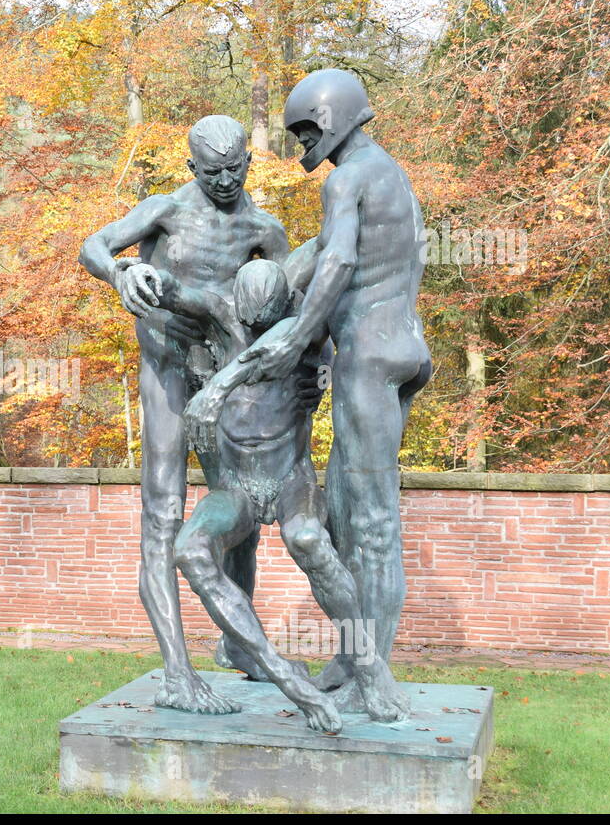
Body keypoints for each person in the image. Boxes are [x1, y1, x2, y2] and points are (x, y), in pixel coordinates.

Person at [184, 70, 432, 693]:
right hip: (400, 347)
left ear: (332, 118)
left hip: (368, 359)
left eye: (304, 134)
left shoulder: (348, 177)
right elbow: (325, 249)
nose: (302, 151)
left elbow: (341, 260)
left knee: (370, 524)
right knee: (347, 515)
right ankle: (354, 659)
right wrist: (255, 289)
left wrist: (297, 336)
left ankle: (367, 674)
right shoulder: (388, 176)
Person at [78, 115, 289, 713]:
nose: (225, 180)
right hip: (169, 369)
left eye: (235, 168)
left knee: (242, 508)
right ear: (193, 167)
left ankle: (239, 646)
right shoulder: (165, 209)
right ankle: (176, 671)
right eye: (212, 170)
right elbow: (93, 244)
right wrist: (122, 271)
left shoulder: (264, 230)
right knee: (164, 511)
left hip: (228, 378)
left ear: (250, 161)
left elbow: (292, 301)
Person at [164, 259, 410, 732]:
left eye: (268, 320)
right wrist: (139, 277)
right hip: (235, 485)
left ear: (285, 305)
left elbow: (332, 255)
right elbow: (179, 294)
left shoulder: (303, 326)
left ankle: (368, 666)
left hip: (291, 477)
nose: (257, 330)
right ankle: (279, 671)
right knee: (190, 549)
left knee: (310, 542)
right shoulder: (221, 314)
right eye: (250, 320)